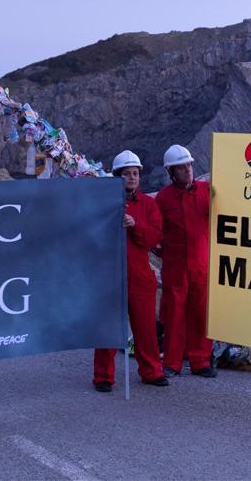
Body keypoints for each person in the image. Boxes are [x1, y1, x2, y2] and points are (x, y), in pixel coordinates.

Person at [93, 150, 168, 392]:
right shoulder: (104, 205)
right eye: (127, 174)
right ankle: (103, 376)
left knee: (145, 327)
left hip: (139, 275)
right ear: (117, 176)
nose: (132, 178)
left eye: (135, 173)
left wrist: (136, 226)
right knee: (108, 327)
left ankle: (152, 371)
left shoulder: (148, 204)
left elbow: (153, 237)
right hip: (110, 275)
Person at [155, 144, 216, 378]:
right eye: (181, 168)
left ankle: (200, 361)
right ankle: (172, 361)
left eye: (189, 166)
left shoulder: (207, 191)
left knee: (201, 313)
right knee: (174, 315)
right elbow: (155, 229)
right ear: (171, 172)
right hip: (175, 268)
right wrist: (160, 250)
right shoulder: (163, 199)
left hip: (201, 265)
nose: (187, 171)